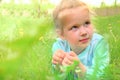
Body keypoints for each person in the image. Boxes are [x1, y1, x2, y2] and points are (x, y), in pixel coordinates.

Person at [51, 0, 109, 79]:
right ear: (61, 34)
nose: (84, 32)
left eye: (87, 23)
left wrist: (80, 68)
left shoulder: (99, 44)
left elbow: (101, 74)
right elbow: (58, 76)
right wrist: (58, 65)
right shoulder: (59, 46)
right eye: (74, 27)